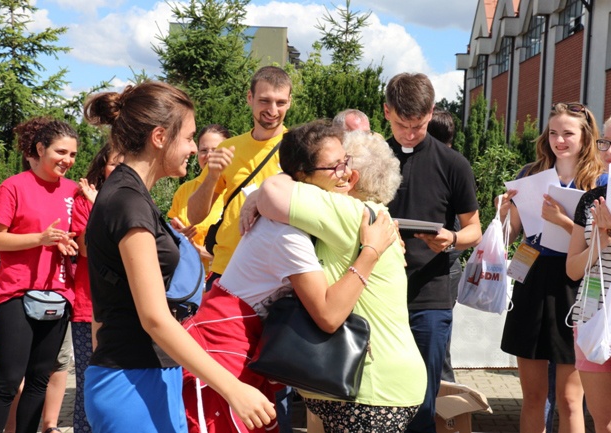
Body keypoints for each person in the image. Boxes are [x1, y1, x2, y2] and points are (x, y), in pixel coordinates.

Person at [82, 80, 276, 433]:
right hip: (134, 381)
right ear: (159, 137)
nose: (192, 148)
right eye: (188, 138)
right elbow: (155, 318)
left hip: (143, 373)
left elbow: (106, 305)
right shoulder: (128, 203)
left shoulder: (130, 196)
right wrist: (232, 388)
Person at [182, 121, 400, 433]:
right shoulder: (285, 233)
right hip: (224, 348)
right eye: (335, 166)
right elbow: (328, 315)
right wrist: (371, 253)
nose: (346, 173)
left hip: (249, 341)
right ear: (302, 176)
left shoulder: (301, 216)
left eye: (346, 162)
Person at [246, 122, 426, 432]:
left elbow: (276, 193)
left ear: (352, 177)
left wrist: (261, 193)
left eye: (344, 163)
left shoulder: (350, 214)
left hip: (373, 388)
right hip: (378, 385)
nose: (341, 170)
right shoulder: (371, 216)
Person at [185, 66, 294, 430]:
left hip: (281, 282)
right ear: (249, 99)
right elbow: (195, 213)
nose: (272, 109)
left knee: (279, 376)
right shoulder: (229, 149)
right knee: (227, 372)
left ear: (290, 102)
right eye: (264, 100)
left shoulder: (298, 149)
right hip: (228, 277)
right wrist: (213, 176)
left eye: (280, 102)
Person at [382, 73, 482, 433]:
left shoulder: (453, 164)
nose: (410, 134)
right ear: (386, 112)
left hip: (429, 295)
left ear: (432, 113)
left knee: (423, 401)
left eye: (419, 126)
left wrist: (451, 238)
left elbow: (474, 229)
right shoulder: (368, 158)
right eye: (402, 125)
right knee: (375, 399)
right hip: (375, 294)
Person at [500, 102, 606, 433]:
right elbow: (511, 231)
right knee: (533, 395)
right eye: (554, 133)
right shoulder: (531, 174)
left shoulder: (600, 181)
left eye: (568, 133)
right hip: (531, 275)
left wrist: (562, 220)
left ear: (586, 137)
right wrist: (503, 212)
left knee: (570, 399)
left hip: (574, 282)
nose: (559, 140)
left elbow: (604, 242)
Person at [0, 117, 79, 433]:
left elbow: (81, 239)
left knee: (40, 379)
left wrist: (72, 245)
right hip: (17, 294)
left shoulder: (74, 191)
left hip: (59, 296)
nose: (67, 160)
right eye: (60, 152)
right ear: (40, 149)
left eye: (72, 155)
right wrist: (40, 239)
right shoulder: (14, 186)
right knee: (8, 382)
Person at [566, 110, 611, 433]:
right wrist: (600, 242)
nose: (610, 151)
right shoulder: (591, 199)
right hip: (591, 319)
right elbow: (572, 269)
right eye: (605, 142)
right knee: (606, 424)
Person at [69, 143, 122, 433]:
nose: (119, 168)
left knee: (116, 385)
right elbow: (88, 250)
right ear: (102, 166)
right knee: (89, 383)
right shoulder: (83, 200)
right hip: (89, 307)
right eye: (114, 163)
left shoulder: (132, 197)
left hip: (124, 308)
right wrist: (97, 205)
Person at [426, 109, 460, 383]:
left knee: (439, 347)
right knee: (440, 345)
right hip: (446, 267)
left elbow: (464, 229)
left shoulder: (451, 167)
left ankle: (447, 414)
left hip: (443, 269)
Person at [168, 124, 230, 272]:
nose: (209, 155)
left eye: (216, 150)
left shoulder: (235, 190)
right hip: (188, 277)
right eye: (204, 150)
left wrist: (198, 250)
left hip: (222, 278)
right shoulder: (185, 190)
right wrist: (176, 236)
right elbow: (172, 231)